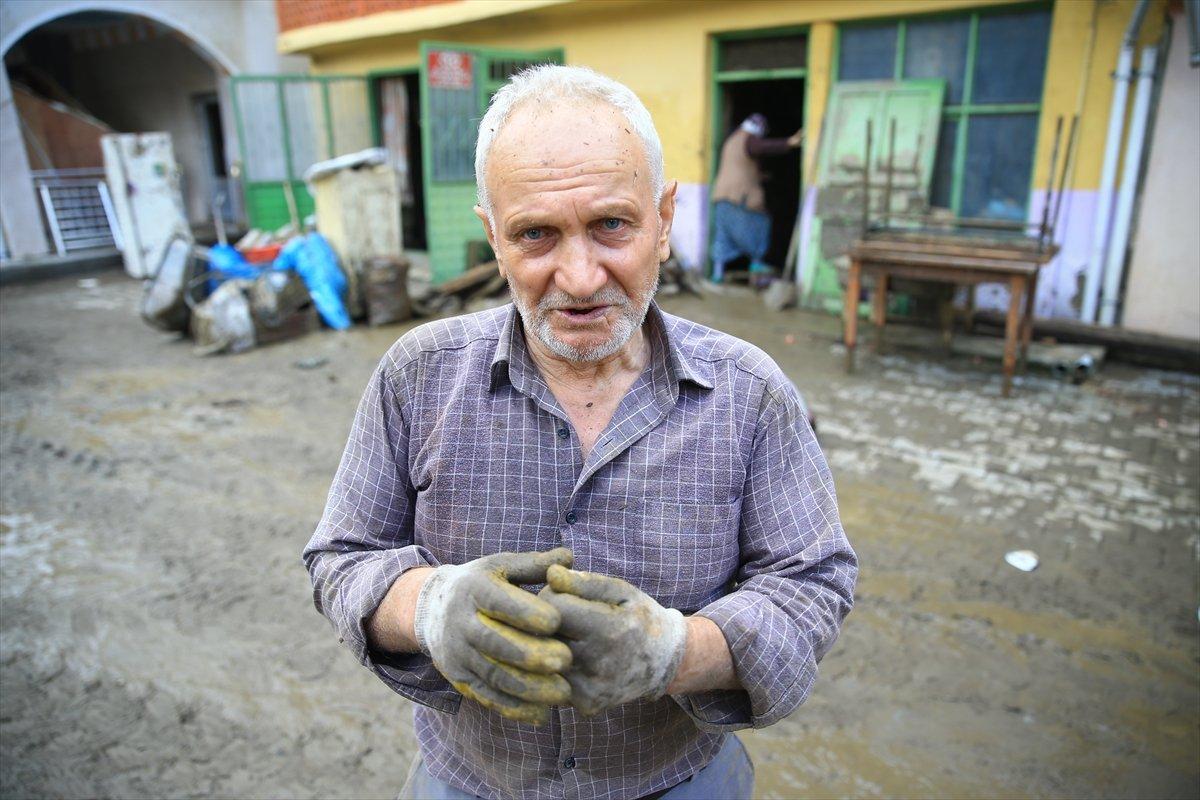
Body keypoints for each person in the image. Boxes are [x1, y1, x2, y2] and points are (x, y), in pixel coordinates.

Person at [303, 65, 855, 800]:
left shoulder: (750, 394)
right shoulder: (417, 376)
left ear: (663, 220)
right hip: (468, 780)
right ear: (492, 239)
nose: (582, 277)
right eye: (535, 234)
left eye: (612, 225)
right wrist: (431, 607)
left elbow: (810, 585)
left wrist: (675, 653)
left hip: (679, 781)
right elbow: (344, 555)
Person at [709, 113, 804, 286]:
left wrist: (761, 175)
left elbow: (739, 166)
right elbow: (761, 147)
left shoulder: (732, 140)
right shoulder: (749, 139)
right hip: (739, 197)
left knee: (723, 235)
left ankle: (717, 273)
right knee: (760, 225)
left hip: (721, 195)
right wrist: (789, 142)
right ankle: (757, 265)